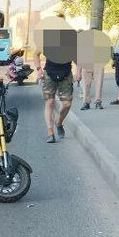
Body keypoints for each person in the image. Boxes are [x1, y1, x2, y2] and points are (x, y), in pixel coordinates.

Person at [33, 15, 76, 143]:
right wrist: (38, 69)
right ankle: (50, 132)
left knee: (67, 104)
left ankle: (59, 123)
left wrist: (79, 71)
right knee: (50, 103)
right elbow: (36, 53)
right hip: (50, 73)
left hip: (66, 73)